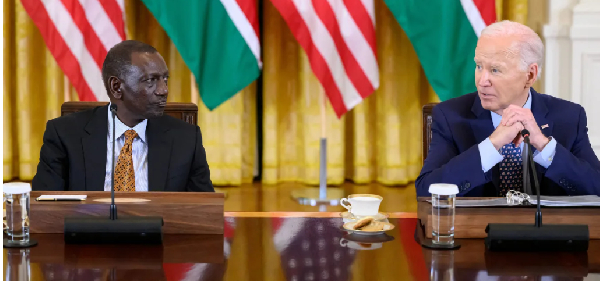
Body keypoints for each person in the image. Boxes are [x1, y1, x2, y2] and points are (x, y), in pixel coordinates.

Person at [416, 20, 600, 197]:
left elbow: (596, 187)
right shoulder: (450, 117)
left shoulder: (569, 117)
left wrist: (544, 145)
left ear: (530, 75)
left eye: (495, 70)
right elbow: (427, 190)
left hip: (547, 229)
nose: (482, 81)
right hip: (475, 228)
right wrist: (491, 145)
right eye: (479, 66)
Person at [32, 40, 214, 192]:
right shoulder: (64, 134)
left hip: (160, 233)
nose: (163, 90)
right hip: (89, 234)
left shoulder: (186, 139)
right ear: (116, 87)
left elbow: (204, 212)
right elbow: (44, 206)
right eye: (151, 80)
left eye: (165, 79)